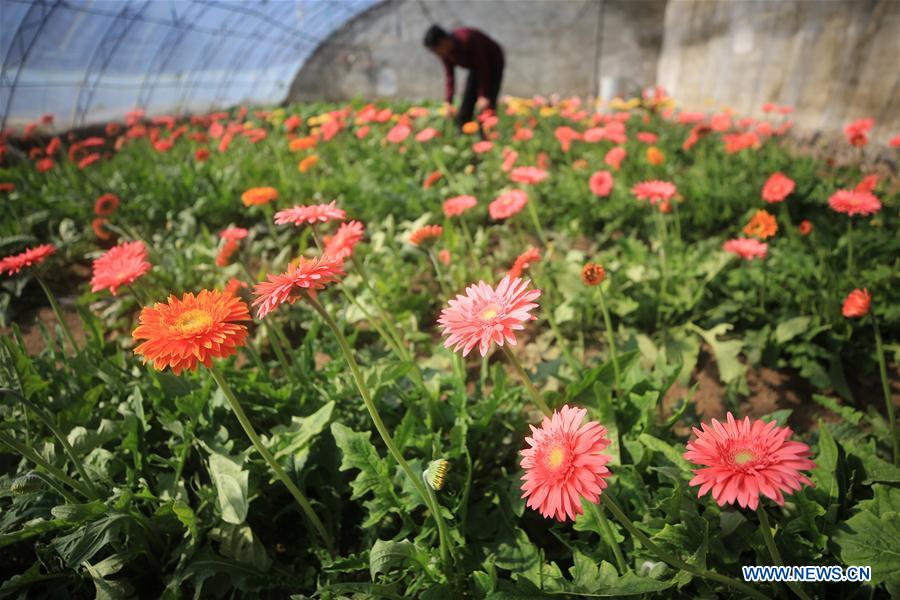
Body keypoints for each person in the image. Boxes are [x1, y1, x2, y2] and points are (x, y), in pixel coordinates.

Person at [423, 25, 504, 130]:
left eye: (436, 50)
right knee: (467, 102)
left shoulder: (467, 39)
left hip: (492, 63)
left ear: (443, 42)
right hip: (476, 68)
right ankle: (462, 132)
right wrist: (448, 102)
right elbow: (450, 76)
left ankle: (487, 134)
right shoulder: (445, 53)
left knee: (486, 105)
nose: (437, 54)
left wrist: (483, 95)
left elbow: (483, 67)